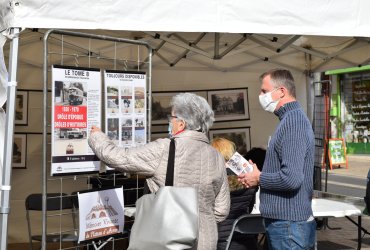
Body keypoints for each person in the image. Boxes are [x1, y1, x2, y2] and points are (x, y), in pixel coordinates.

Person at [88, 92, 230, 250]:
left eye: (172, 117)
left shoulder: (165, 148)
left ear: (181, 124)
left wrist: (97, 137)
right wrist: (200, 220)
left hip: (168, 238)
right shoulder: (216, 156)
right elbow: (221, 210)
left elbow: (118, 158)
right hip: (206, 240)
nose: (170, 122)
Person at [238, 69, 316, 250]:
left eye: (264, 91)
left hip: (289, 224)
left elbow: (291, 178)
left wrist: (259, 177)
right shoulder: (289, 119)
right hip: (286, 223)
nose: (260, 96)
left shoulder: (293, 122)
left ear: (281, 91)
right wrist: (256, 174)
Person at [211, 137, 262, 250]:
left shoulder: (214, 180)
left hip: (221, 240)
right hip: (247, 238)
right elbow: (250, 207)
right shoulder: (248, 178)